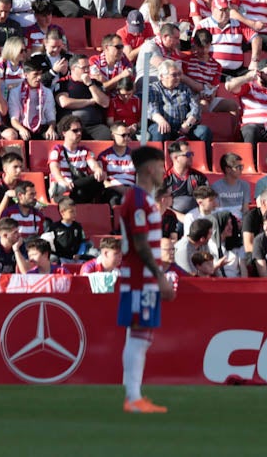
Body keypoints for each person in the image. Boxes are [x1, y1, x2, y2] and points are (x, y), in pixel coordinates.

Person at [118, 145, 174, 413]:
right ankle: (133, 397)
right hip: (140, 279)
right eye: (162, 167)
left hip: (141, 278)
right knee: (139, 337)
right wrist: (159, 276)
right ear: (150, 169)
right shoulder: (138, 200)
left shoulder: (143, 199)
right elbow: (141, 245)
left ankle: (133, 395)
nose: (164, 172)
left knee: (140, 336)